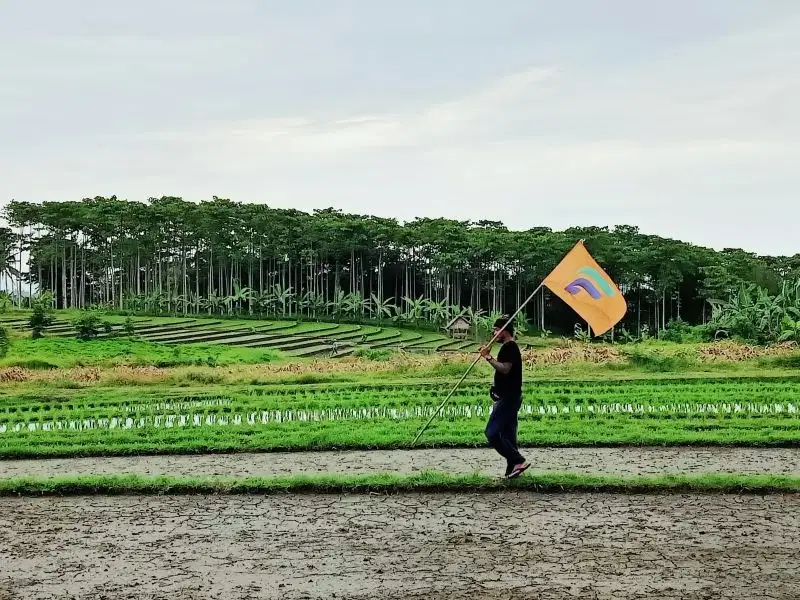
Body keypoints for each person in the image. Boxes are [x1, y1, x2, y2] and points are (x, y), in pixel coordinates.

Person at [479, 317, 530, 479]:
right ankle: (512, 470)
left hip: (508, 398)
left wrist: (488, 357)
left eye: (496, 330)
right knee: (509, 435)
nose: (494, 333)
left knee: (491, 432)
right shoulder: (509, 347)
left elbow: (505, 369)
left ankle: (518, 460)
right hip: (509, 396)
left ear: (504, 330)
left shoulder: (510, 348)